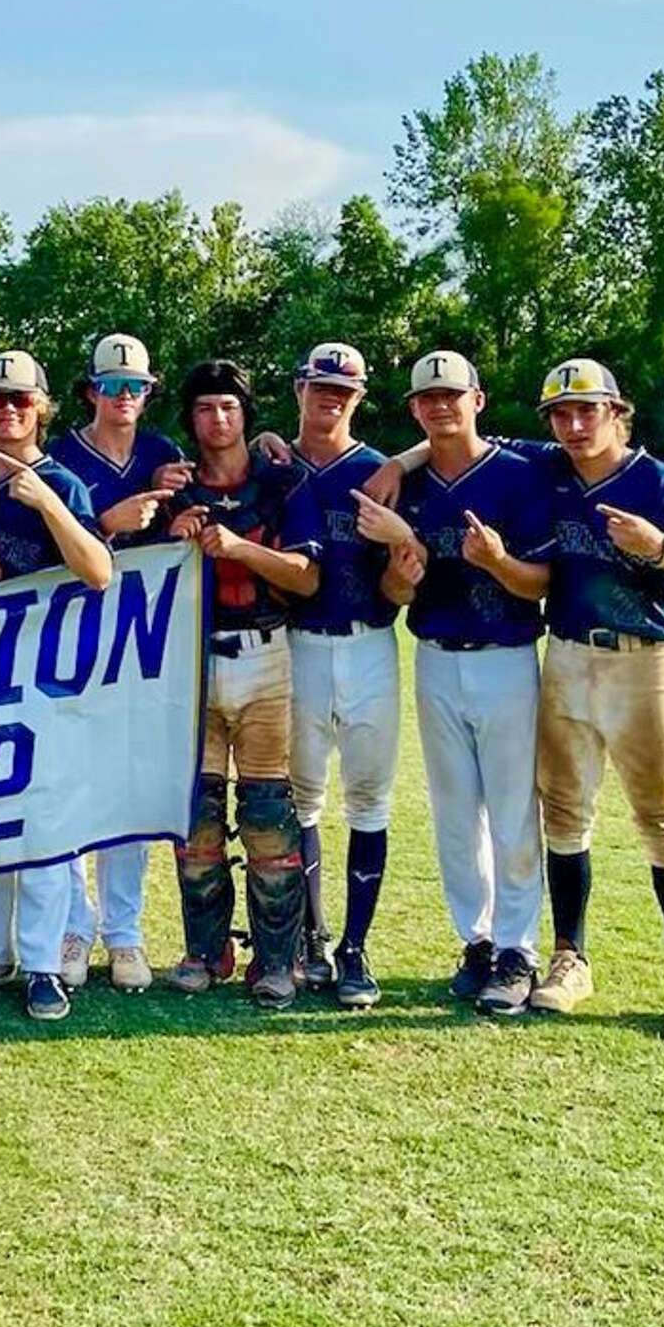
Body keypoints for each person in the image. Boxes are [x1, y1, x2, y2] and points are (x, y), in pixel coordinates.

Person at [523, 360, 664, 1040]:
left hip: (646, 660)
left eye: (589, 411)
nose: (575, 425)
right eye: (562, 413)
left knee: (662, 815)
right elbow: (459, 434)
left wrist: (661, 549)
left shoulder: (659, 483)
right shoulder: (550, 470)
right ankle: (569, 957)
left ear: (618, 412)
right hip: (570, 653)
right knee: (564, 812)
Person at [355, 350, 554, 1016]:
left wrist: (498, 562)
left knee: (513, 811)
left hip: (506, 655)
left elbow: (541, 582)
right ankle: (476, 939)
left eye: (452, 395)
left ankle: (518, 948)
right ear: (414, 409)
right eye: (427, 398)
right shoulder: (403, 486)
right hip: (436, 654)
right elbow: (391, 590)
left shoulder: (521, 474)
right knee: (453, 813)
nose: (441, 406)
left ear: (478, 399)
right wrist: (399, 573)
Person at [0, 350, 112, 1023]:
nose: (8, 412)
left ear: (41, 408)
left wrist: (46, 504)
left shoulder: (62, 483)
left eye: (19, 401)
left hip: (46, 676)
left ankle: (43, 963)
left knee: (43, 822)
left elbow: (98, 571)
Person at [161, 360, 323, 1007]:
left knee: (266, 816)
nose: (217, 419)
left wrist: (239, 548)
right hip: (193, 660)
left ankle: (277, 959)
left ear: (245, 414)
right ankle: (206, 949)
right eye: (204, 408)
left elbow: (306, 577)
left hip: (265, 652)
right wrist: (171, 540)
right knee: (195, 819)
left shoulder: (282, 483)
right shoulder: (174, 488)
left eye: (228, 407)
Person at [46, 332, 186, 993]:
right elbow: (52, 545)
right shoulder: (60, 455)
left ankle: (124, 932)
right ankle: (77, 921)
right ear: (90, 391)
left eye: (136, 387)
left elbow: (205, 510)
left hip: (143, 643)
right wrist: (109, 522)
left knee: (126, 789)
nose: (124, 397)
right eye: (112, 386)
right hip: (72, 636)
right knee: (73, 784)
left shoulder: (163, 453)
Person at [282, 342, 404, 1009]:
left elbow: (402, 574)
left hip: (370, 643)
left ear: (359, 398)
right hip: (297, 644)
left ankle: (355, 947)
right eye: (321, 386)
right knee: (301, 799)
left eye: (345, 391)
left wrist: (404, 464)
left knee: (369, 800)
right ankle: (312, 938)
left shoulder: (381, 471)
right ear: (299, 388)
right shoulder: (276, 464)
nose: (332, 398)